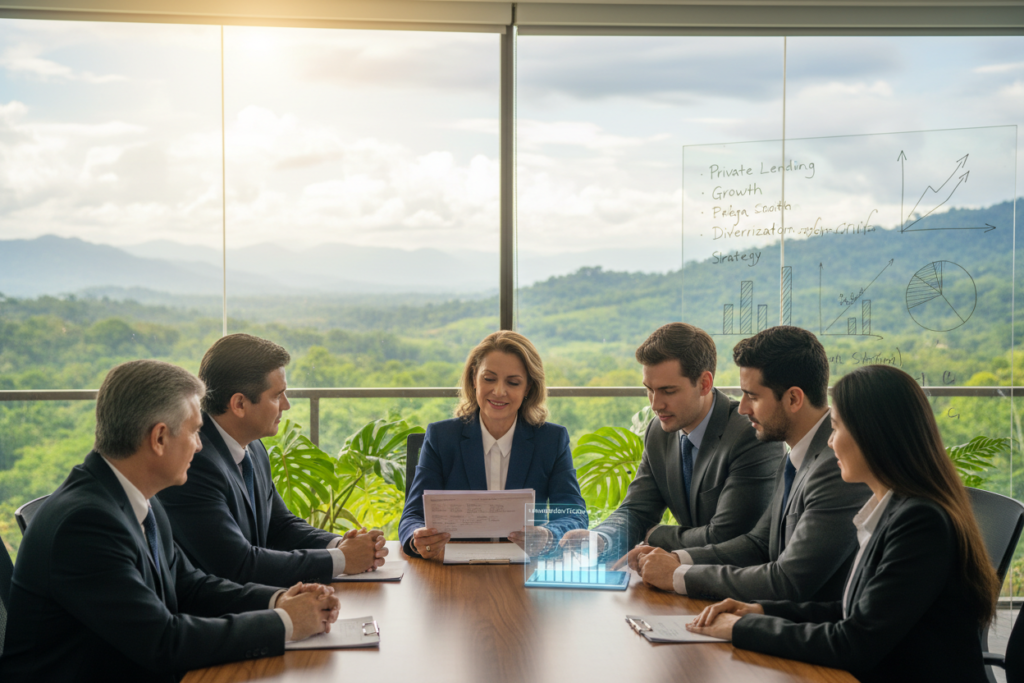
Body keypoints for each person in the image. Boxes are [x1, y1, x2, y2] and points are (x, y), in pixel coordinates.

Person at [0, 360, 342, 681]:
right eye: (195, 432)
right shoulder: (85, 524)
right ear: (159, 438)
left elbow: (191, 586)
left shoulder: (135, 497)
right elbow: (163, 642)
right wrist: (284, 622)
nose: (199, 446)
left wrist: (279, 600)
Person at [686, 364, 1000, 683]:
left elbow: (854, 642)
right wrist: (760, 612)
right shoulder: (891, 509)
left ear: (874, 434)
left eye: (836, 429)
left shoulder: (920, 522)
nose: (831, 442)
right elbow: (851, 611)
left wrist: (740, 628)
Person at [637, 326, 871, 601]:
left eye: (753, 396)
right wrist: (676, 559)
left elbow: (788, 580)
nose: (743, 408)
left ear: (794, 398)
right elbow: (757, 545)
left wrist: (678, 575)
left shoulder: (836, 467)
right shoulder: (796, 457)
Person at [157, 334, 386, 586]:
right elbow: (238, 565)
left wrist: (342, 544)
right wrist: (341, 559)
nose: (286, 405)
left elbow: (279, 525)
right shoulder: (194, 462)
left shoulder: (252, 444)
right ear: (239, 404)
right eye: (278, 396)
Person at [562, 322, 784, 562]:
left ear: (704, 383)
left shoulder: (750, 433)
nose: (655, 404)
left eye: (668, 391)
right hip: (681, 579)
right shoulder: (658, 432)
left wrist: (655, 535)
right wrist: (601, 538)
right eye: (650, 390)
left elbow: (728, 536)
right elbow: (636, 509)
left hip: (742, 585)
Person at [399, 330, 587, 560]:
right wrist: (418, 539)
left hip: (524, 570)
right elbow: (412, 516)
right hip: (454, 569)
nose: (499, 391)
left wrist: (548, 534)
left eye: (513, 382)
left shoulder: (552, 440)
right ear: (473, 379)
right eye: (489, 379)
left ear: (528, 388)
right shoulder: (441, 436)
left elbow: (574, 514)